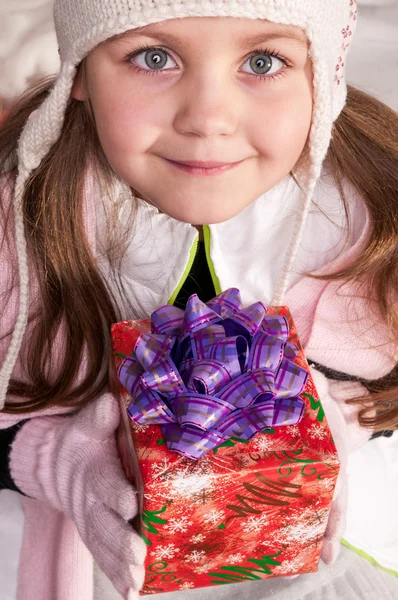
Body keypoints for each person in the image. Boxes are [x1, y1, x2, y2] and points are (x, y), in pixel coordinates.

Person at [0, 0, 397, 599]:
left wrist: (336, 423)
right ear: (80, 72)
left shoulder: (372, 213)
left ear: (323, 73)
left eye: (263, 61)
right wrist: (61, 463)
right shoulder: (17, 228)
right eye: (153, 57)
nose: (209, 118)